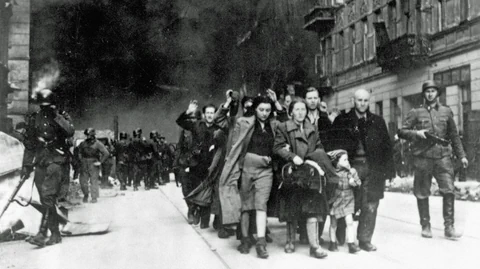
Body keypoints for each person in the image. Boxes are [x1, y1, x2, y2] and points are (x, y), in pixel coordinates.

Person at [398, 80, 468, 240]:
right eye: (427, 91)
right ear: (424, 94)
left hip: (443, 157)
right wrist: (417, 134)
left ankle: (449, 227)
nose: (430, 94)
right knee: (422, 193)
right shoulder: (416, 112)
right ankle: (425, 225)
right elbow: (402, 131)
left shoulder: (446, 111)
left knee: (449, 191)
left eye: (433, 91)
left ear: (437, 93)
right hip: (423, 158)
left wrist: (462, 155)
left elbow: (454, 136)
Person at [219, 90, 283, 259]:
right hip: (246, 168)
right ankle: (245, 240)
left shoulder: (274, 125)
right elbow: (236, 147)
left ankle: (261, 243)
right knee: (246, 206)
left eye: (268, 110)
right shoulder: (243, 122)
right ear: (255, 109)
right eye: (261, 109)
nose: (265, 113)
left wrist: (277, 103)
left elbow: (286, 122)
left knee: (261, 205)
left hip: (266, 170)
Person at [329, 89, 395, 251]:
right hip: (349, 168)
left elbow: (387, 147)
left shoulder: (377, 121)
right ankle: (341, 232)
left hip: (373, 168)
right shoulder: (342, 120)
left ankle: (364, 239)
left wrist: (390, 171)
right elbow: (333, 145)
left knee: (371, 204)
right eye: (359, 100)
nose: (363, 104)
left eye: (366, 100)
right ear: (353, 101)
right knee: (347, 201)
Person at [274, 98, 333, 259]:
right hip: (293, 172)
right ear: (291, 111)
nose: (300, 112)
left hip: (310, 171)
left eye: (303, 109)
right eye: (297, 109)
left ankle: (314, 246)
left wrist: (314, 158)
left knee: (312, 208)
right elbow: (278, 147)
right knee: (292, 208)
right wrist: (292, 156)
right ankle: (290, 241)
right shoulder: (284, 127)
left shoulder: (312, 128)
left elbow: (319, 146)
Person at [21, 89, 75, 247]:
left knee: (48, 196)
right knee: (45, 199)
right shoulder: (33, 118)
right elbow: (29, 144)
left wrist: (56, 115)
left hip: (56, 160)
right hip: (41, 161)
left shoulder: (61, 117)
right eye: (43, 105)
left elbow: (69, 131)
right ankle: (55, 234)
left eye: (48, 105)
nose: (45, 108)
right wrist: (26, 165)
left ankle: (42, 233)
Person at [304, 87, 341, 244]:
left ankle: (317, 233)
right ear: (305, 100)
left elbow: (332, 136)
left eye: (315, 98)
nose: (312, 101)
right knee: (308, 195)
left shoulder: (324, 117)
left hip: (324, 159)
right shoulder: (301, 116)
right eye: (309, 98)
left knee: (324, 194)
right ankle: (306, 232)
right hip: (307, 159)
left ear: (319, 100)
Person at [176, 102, 220, 229]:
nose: (210, 115)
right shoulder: (197, 125)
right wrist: (188, 111)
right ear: (204, 114)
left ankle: (205, 221)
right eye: (208, 113)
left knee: (208, 192)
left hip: (211, 165)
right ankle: (194, 211)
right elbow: (180, 121)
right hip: (196, 164)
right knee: (195, 191)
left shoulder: (218, 128)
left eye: (212, 113)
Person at [326, 150, 361, 254]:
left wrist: (353, 182)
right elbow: (329, 187)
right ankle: (332, 243)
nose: (347, 162)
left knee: (349, 221)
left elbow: (359, 183)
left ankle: (351, 244)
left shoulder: (352, 171)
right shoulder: (333, 172)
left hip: (348, 198)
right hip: (336, 199)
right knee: (333, 223)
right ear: (337, 162)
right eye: (344, 160)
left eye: (347, 159)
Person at [78, 128, 110, 203]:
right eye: (86, 135)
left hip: (93, 163)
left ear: (92, 135)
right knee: (83, 181)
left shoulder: (98, 143)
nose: (87, 137)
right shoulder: (83, 143)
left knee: (94, 181)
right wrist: (81, 159)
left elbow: (106, 153)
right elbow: (79, 152)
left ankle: (94, 197)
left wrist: (100, 162)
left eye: (88, 135)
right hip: (84, 163)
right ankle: (86, 194)